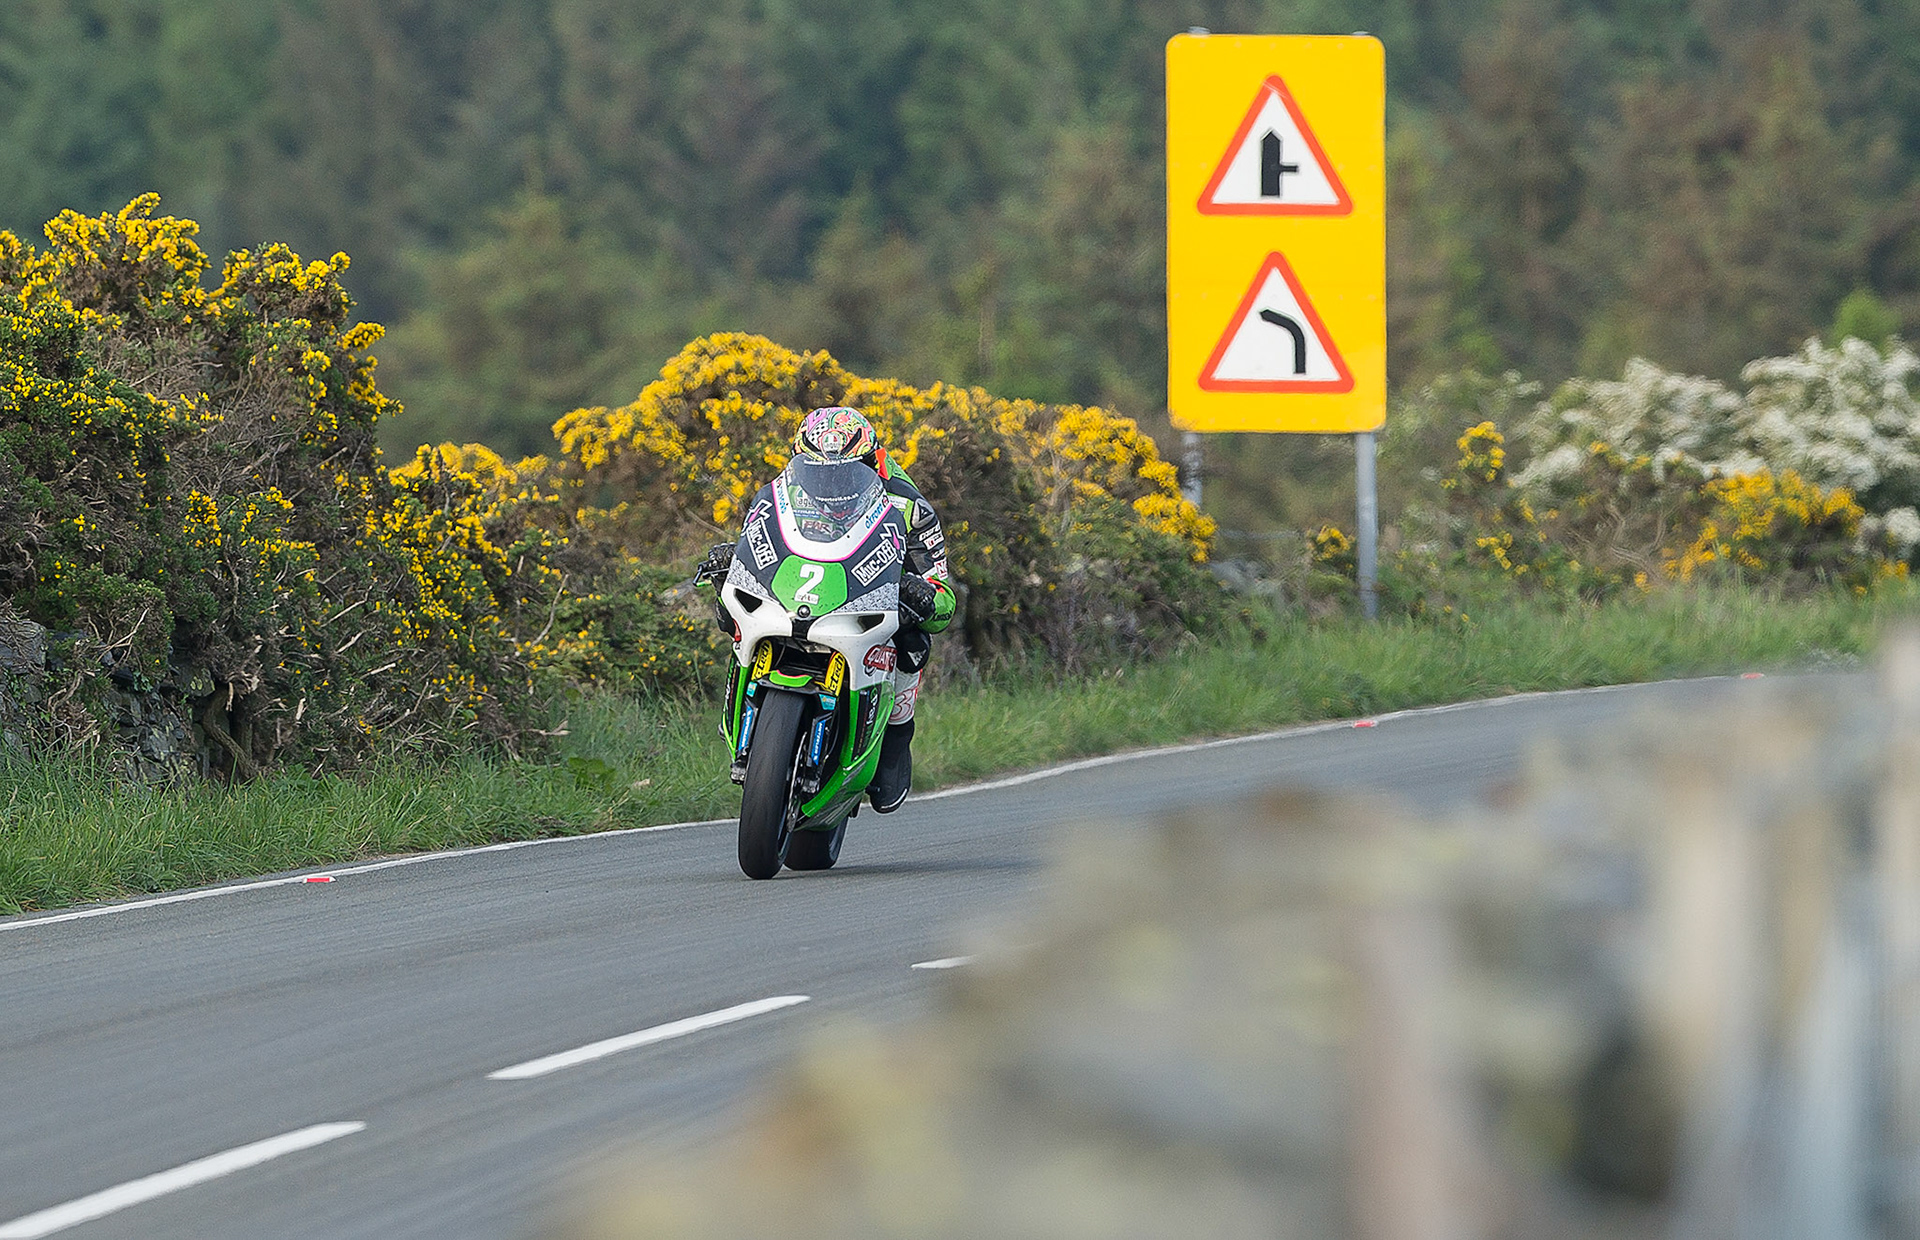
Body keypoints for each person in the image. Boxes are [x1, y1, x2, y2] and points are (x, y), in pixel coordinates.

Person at [720, 406, 955, 812]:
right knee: (729, 605)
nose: (829, 480)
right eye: (816, 469)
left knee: (913, 642)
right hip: (805, 585)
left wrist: (925, 592)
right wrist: (731, 556)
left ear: (870, 462)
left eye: (843, 472)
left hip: (869, 589)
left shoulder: (909, 505)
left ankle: (895, 743)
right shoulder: (782, 489)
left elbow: (942, 590)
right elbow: (758, 533)